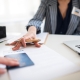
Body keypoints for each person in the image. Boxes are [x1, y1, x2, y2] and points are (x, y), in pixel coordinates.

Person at [9, 0, 80, 51]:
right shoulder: (46, 1)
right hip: (48, 46)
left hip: (71, 46)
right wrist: (31, 32)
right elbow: (36, 19)